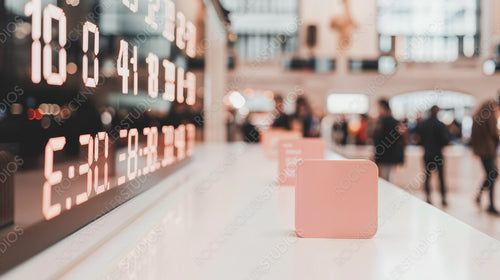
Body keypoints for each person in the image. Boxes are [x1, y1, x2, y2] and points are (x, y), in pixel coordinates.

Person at [416, 106, 450, 206]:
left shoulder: (423, 124)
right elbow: (445, 140)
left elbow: (418, 139)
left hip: (427, 154)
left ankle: (428, 197)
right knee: (441, 177)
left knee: (427, 177)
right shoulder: (440, 125)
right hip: (438, 154)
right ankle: (443, 198)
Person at [471, 100, 500, 215]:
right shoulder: (490, 116)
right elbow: (494, 133)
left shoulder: (476, 117)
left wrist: (475, 151)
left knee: (491, 174)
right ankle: (491, 205)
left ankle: (480, 194)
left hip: (481, 151)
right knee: (493, 174)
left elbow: (473, 137)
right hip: (488, 151)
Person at [373, 99, 405, 182]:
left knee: (384, 179)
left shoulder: (381, 122)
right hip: (392, 154)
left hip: (384, 155)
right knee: (389, 177)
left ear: (383, 108)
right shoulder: (395, 122)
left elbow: (375, 138)